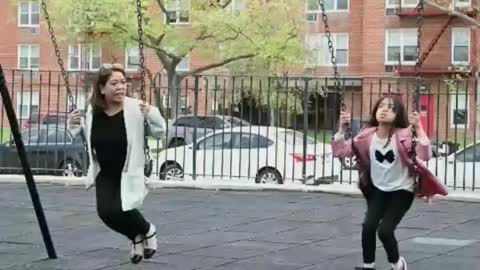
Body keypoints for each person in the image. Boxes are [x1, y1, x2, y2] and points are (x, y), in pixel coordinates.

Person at [67, 64, 166, 264]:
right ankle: (136, 237)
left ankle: (148, 231)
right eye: (114, 83)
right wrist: (72, 124)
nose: (121, 87)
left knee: (123, 208)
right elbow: (83, 135)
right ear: (102, 88)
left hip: (127, 169)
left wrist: (152, 114)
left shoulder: (136, 108)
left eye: (123, 82)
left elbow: (160, 132)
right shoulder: (93, 111)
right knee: (106, 213)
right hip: (104, 170)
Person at [331, 95, 432, 270]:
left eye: (391, 107)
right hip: (378, 190)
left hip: (402, 190)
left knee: (385, 231)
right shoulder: (366, 136)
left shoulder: (405, 136)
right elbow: (341, 152)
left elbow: (425, 155)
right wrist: (341, 130)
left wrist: (419, 128)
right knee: (368, 227)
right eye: (381, 106)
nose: (384, 110)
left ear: (398, 113)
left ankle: (398, 264)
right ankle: (368, 266)